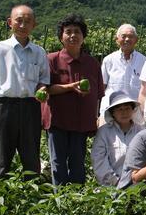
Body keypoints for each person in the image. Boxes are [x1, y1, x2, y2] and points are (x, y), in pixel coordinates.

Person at [0, 5, 50, 179]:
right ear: (10, 22)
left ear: (34, 25)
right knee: (2, 158)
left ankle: (31, 199)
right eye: (19, 20)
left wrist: (42, 90)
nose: (23, 25)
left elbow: (43, 81)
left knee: (31, 158)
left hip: (31, 107)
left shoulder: (39, 52)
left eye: (28, 21)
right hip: (4, 107)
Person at [45, 14, 105, 185]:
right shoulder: (52, 60)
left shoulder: (92, 63)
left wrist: (96, 116)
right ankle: (61, 199)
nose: (73, 35)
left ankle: (77, 200)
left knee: (78, 163)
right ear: (61, 37)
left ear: (83, 37)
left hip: (81, 122)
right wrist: (70, 87)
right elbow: (45, 89)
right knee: (58, 162)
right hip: (58, 120)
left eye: (77, 32)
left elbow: (99, 93)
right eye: (68, 32)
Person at [91, 91, 144, 186]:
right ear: (113, 113)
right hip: (110, 186)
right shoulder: (104, 132)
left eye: (127, 108)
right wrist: (115, 181)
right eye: (119, 109)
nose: (124, 112)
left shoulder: (141, 132)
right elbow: (99, 160)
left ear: (133, 110)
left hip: (137, 184)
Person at [99, 24, 146, 123]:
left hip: (135, 113)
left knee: (136, 138)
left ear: (136, 40)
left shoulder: (144, 61)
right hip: (110, 111)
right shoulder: (109, 60)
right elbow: (101, 87)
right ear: (117, 39)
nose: (127, 39)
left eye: (130, 36)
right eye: (123, 36)